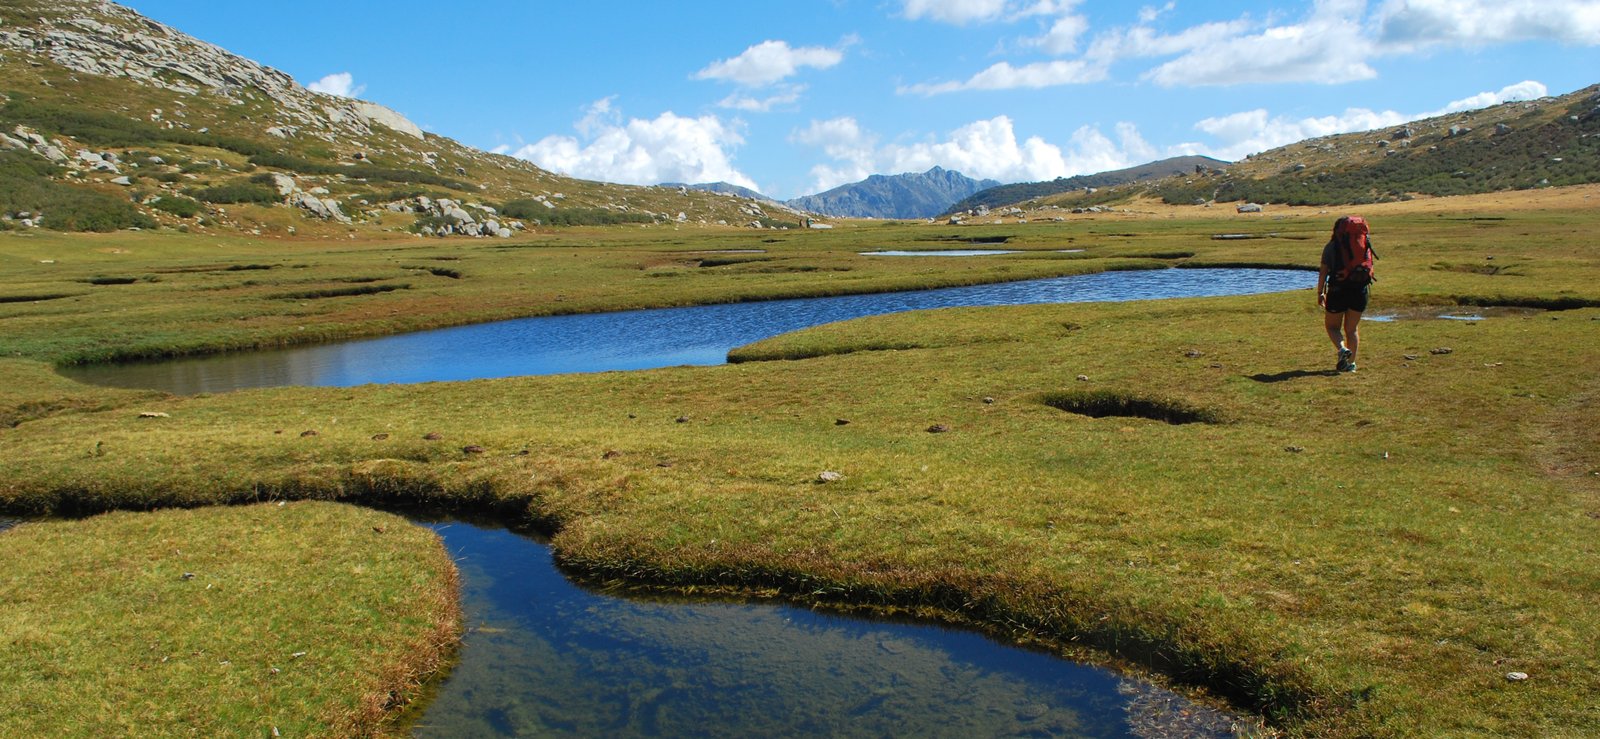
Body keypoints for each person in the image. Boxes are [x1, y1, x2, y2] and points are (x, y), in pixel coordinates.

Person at [1317, 216, 1375, 373]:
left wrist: (1320, 292)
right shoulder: (1364, 245)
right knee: (1352, 329)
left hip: (1338, 291)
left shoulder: (1331, 247)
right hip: (1360, 290)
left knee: (1332, 327)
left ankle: (1342, 349)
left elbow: (1323, 272)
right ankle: (1351, 365)